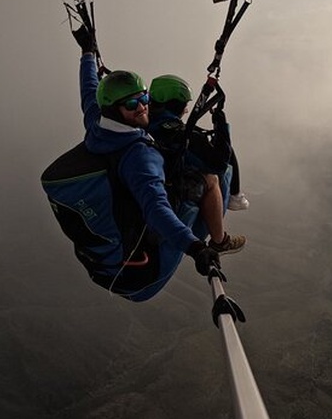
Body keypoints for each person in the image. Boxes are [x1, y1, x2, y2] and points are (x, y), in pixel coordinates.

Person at [40, 23, 219, 302]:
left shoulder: (97, 124)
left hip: (105, 269)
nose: (143, 107)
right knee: (211, 179)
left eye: (144, 97)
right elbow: (156, 208)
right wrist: (196, 248)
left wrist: (87, 52)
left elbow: (89, 90)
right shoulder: (139, 156)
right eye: (132, 104)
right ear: (114, 110)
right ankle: (218, 240)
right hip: (142, 277)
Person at [147, 74, 247, 255]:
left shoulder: (143, 119)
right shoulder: (180, 135)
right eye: (185, 105)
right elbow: (218, 164)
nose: (187, 110)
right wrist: (221, 125)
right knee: (212, 179)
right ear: (179, 106)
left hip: (154, 176)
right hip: (170, 186)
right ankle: (220, 241)